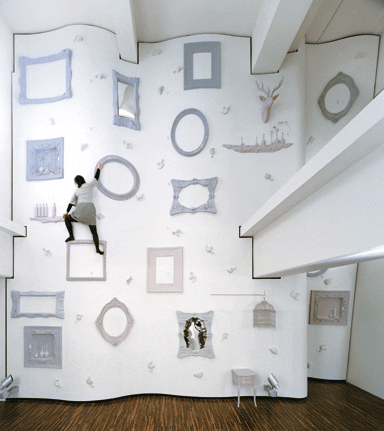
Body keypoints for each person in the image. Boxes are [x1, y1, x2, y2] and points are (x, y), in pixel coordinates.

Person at [63, 163, 104, 254]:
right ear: (83, 180)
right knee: (94, 232)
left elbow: (71, 203)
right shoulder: (89, 185)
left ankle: (71, 236)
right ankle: (97, 249)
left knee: (67, 219)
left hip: (80, 211)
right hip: (90, 210)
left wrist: (67, 212)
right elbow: (96, 177)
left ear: (76, 183)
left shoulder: (77, 190)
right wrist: (99, 168)